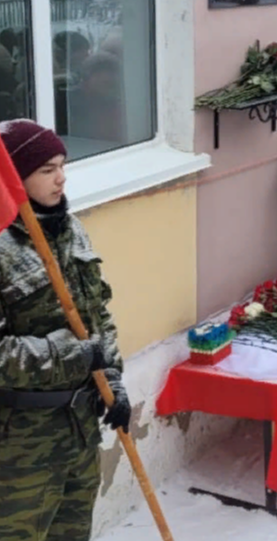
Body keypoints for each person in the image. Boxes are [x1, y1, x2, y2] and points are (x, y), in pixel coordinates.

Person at [0, 119, 131, 541]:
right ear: (15, 179)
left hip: (79, 430)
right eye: (46, 170)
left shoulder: (69, 229)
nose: (61, 178)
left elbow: (97, 315)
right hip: (19, 446)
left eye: (62, 165)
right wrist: (73, 355)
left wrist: (112, 379)